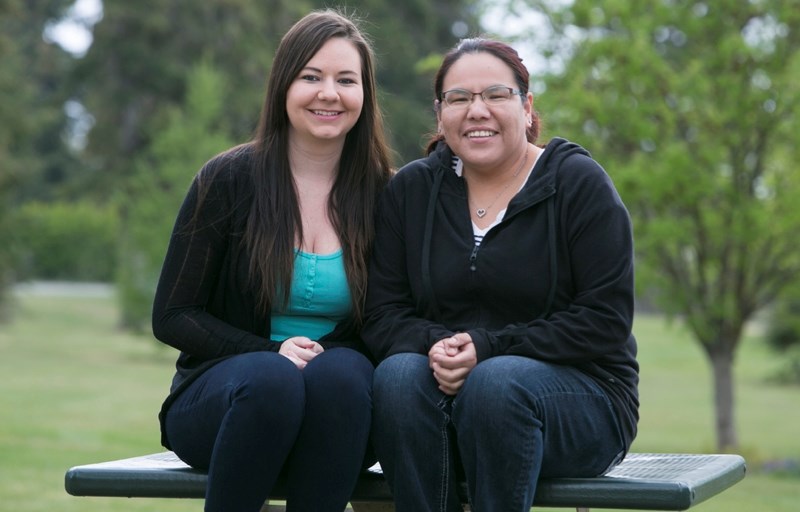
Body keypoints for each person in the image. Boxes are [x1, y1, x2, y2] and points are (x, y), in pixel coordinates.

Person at [362, 37, 639, 512]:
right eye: (460, 98)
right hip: (445, 399)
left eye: (495, 94)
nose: (477, 110)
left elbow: (604, 320)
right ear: (440, 113)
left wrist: (488, 348)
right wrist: (438, 345)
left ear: (527, 107)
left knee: (496, 384)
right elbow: (382, 313)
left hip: (581, 400)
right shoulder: (411, 192)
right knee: (396, 376)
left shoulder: (577, 184)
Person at [151, 10, 392, 512]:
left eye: (346, 80)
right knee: (272, 379)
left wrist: (321, 357)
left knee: (344, 375)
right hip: (227, 402)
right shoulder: (228, 180)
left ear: (364, 95)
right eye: (311, 77)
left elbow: (394, 316)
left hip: (339, 411)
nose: (329, 93)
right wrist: (270, 350)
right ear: (283, 85)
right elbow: (173, 315)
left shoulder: (387, 195)